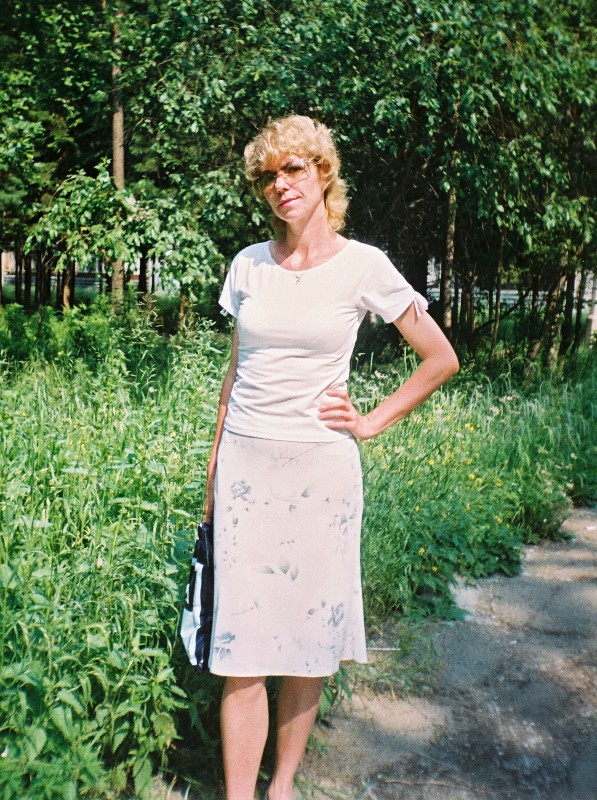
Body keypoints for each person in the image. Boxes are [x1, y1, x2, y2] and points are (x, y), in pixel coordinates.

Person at [204, 115, 459, 800]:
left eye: (293, 168)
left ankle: (282, 784)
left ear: (322, 173)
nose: (280, 185)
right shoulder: (248, 265)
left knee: (308, 640)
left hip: (321, 476)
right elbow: (235, 375)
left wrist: (371, 421)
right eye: (267, 175)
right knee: (242, 649)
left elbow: (440, 358)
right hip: (247, 471)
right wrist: (213, 474)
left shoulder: (363, 265)